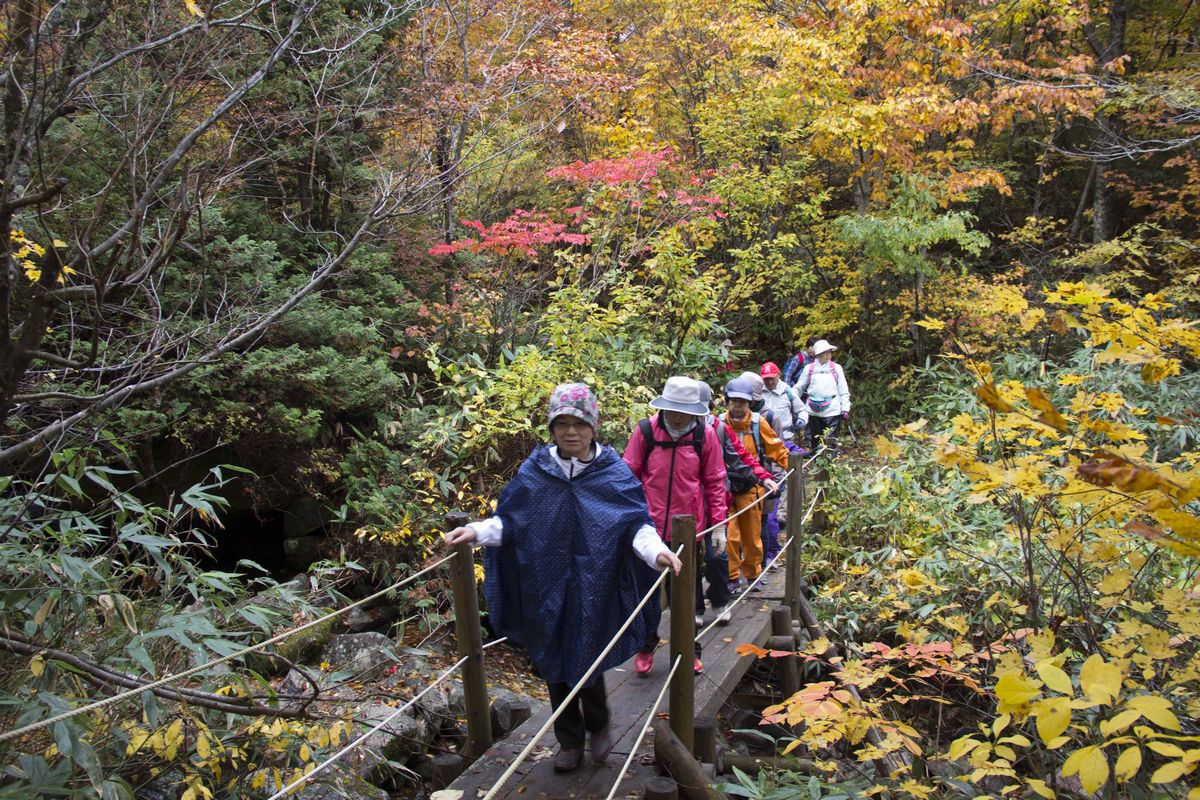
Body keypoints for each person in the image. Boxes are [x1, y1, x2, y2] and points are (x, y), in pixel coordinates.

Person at [443, 383, 683, 773]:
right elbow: (512, 523)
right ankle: (569, 741)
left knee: (586, 655)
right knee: (553, 661)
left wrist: (657, 552)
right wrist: (475, 532)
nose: (571, 432)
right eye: (562, 424)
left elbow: (635, 525)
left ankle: (600, 724)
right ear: (552, 427)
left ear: (594, 426)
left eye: (579, 424)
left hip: (595, 585)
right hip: (545, 585)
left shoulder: (613, 473)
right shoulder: (535, 472)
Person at [624, 377, 726, 676]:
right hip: (648, 529)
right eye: (674, 409)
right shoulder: (646, 431)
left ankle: (690, 650)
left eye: (685, 409)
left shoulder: (704, 436)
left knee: (688, 594)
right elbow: (627, 477)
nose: (679, 415)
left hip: (688, 529)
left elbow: (715, 481)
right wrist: (627, 521)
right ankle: (645, 644)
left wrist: (718, 526)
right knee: (646, 593)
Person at [696, 381, 778, 622]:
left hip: (720, 496)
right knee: (691, 556)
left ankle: (722, 598)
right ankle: (694, 609)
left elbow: (742, 457)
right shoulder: (663, 430)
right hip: (685, 505)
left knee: (721, 549)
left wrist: (765, 477)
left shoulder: (720, 428)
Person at [719, 379, 789, 590]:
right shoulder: (719, 424)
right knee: (730, 536)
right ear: (727, 401)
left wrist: (790, 466)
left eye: (742, 402)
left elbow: (776, 447)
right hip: (726, 487)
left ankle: (753, 575)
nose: (738, 406)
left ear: (750, 403)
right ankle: (732, 578)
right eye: (734, 401)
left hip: (752, 485)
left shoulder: (758, 423)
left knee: (752, 536)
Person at [793, 339, 851, 452]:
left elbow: (843, 390)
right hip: (813, 410)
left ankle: (829, 467)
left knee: (831, 441)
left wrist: (845, 408)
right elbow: (799, 388)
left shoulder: (836, 368)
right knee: (816, 441)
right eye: (825, 352)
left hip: (832, 410)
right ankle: (817, 465)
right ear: (818, 354)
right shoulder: (809, 369)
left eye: (829, 351)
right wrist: (792, 401)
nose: (828, 354)